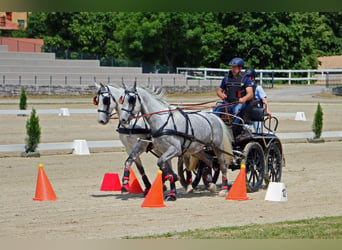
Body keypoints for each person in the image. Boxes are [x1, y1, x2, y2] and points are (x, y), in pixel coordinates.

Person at [213, 57, 254, 139]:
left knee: (236, 110)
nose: (233, 69)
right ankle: (214, 128)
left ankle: (233, 129)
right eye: (232, 67)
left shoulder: (245, 79)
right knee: (216, 109)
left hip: (239, 103)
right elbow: (219, 91)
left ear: (240, 68)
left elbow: (250, 94)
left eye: (235, 67)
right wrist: (221, 95)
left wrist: (243, 99)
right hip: (228, 103)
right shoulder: (226, 79)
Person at [244, 68, 272, 134]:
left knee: (259, 132)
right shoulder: (244, 87)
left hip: (256, 113)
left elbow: (264, 101)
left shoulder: (258, 88)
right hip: (247, 112)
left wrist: (267, 111)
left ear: (253, 78)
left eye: (249, 77)